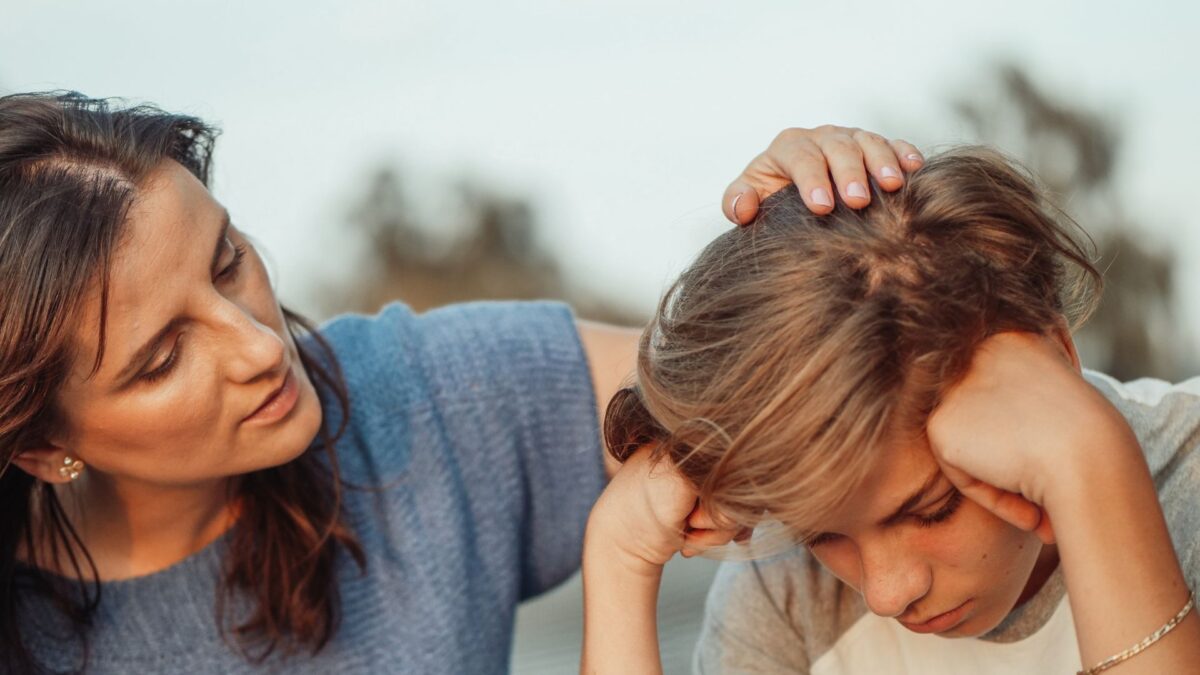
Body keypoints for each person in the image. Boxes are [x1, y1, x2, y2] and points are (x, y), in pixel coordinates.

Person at [0, 91, 923, 674]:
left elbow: (786, 376)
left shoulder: (425, 398)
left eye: (229, 259)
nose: (257, 347)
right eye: (163, 358)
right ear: (43, 445)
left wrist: (820, 243)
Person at [582, 147, 1200, 674]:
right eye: (821, 533)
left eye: (933, 510)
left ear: (1057, 362)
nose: (886, 591)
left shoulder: (1189, 484)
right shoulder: (788, 593)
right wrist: (618, 562)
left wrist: (1091, 467)